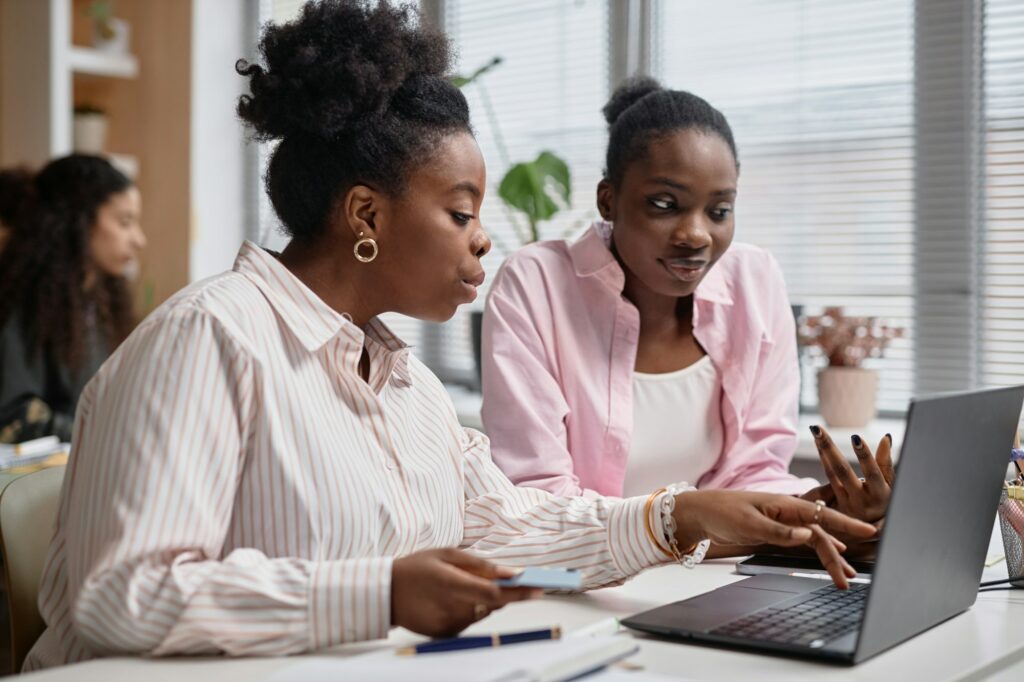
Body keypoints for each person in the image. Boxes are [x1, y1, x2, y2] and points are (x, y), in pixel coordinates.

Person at [24, 1, 874, 670]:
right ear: (366, 214)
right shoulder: (207, 342)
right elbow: (119, 596)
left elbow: (505, 524)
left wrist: (670, 517)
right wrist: (377, 594)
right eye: (461, 212)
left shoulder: (406, 387)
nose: (482, 239)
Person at [480, 78, 893, 522]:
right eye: (664, 204)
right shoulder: (536, 285)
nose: (696, 235)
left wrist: (828, 509)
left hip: (717, 571)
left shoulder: (754, 281)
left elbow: (756, 474)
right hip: (580, 579)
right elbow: (539, 498)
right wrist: (685, 530)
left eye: (718, 212)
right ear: (608, 200)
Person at [0, 155, 144, 444]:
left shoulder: (98, 306)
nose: (139, 240)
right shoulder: (24, 303)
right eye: (124, 222)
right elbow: (13, 416)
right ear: (80, 220)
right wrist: (108, 434)